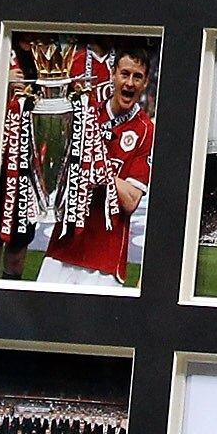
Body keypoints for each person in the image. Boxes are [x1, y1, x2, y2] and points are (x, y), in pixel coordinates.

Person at [38, 43, 156, 289]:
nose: (130, 83)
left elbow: (131, 200)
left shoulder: (146, 131)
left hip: (104, 258)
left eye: (138, 77)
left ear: (145, 83)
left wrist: (100, 171)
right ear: (113, 74)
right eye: (125, 74)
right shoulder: (85, 114)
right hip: (63, 246)